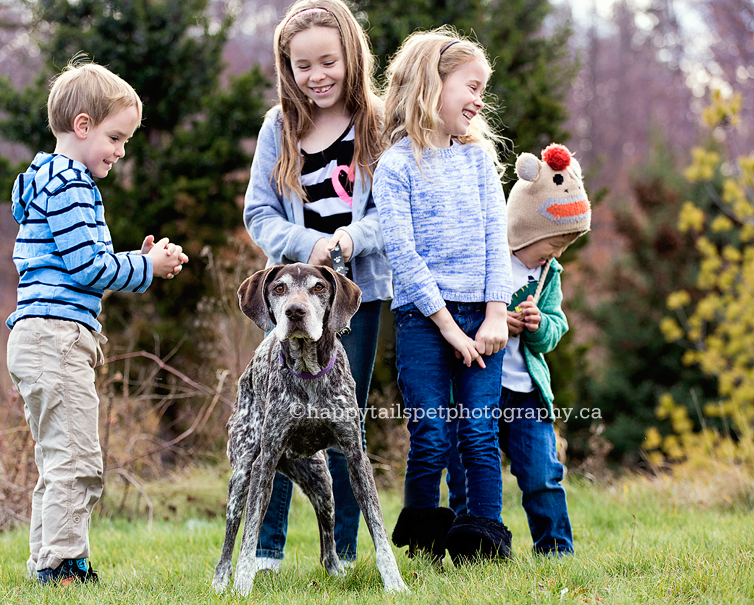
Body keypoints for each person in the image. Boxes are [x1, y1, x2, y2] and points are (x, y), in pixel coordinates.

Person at [6, 59, 189, 586]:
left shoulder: (52, 181)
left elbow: (81, 259)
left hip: (44, 335)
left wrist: (137, 259)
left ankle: (47, 561)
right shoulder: (70, 183)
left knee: (57, 456)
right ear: (82, 126)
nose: (120, 151)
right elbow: (90, 268)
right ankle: (64, 565)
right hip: (56, 337)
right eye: (116, 137)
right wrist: (147, 268)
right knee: (78, 459)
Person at [242, 0, 392, 572]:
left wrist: (350, 241)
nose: (316, 76)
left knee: (345, 420)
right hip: (296, 301)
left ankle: (346, 554)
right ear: (288, 68)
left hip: (358, 297)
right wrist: (308, 246)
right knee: (274, 418)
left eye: (327, 61)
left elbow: (393, 212)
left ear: (351, 57)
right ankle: (265, 550)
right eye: (302, 66)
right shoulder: (278, 128)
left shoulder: (378, 124)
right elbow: (259, 212)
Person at [373, 27, 513, 565]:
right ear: (432, 83)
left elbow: (495, 241)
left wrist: (495, 314)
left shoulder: (478, 162)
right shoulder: (397, 166)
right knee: (431, 434)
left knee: (478, 435)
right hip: (423, 322)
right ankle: (426, 547)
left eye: (484, 89)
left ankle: (483, 540)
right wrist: (448, 328)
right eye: (471, 86)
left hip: (483, 317)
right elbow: (403, 258)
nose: (479, 100)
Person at [446, 143, 591, 557]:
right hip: (477, 390)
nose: (556, 254)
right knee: (465, 474)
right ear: (527, 229)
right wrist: (497, 321)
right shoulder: (485, 260)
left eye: (564, 247)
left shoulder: (549, 274)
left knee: (543, 474)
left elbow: (555, 328)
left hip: (526, 392)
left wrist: (538, 326)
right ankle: (467, 549)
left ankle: (556, 550)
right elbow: (458, 317)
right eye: (553, 244)